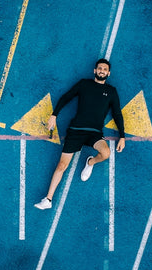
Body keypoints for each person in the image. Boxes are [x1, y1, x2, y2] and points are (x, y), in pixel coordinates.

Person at [34, 58, 126, 209]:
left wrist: (122, 136)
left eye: (105, 69)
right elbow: (66, 97)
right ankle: (48, 200)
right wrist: (54, 115)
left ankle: (90, 162)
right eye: (99, 68)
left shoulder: (111, 91)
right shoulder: (84, 84)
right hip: (76, 130)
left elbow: (117, 114)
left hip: (94, 133)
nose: (102, 71)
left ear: (108, 73)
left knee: (106, 153)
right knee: (62, 165)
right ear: (95, 71)